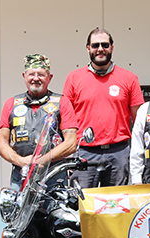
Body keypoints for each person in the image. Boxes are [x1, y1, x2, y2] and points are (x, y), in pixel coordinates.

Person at [0, 53, 78, 238]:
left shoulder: (61, 102)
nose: (36, 78)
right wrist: (21, 161)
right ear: (24, 75)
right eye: (31, 74)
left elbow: (71, 142)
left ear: (49, 77)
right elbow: (2, 144)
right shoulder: (11, 104)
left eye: (41, 74)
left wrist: (44, 159)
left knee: (56, 230)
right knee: (18, 230)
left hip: (53, 178)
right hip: (21, 178)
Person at [62, 27, 144, 188]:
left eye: (105, 45)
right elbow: (65, 121)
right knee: (82, 205)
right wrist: (68, 154)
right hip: (84, 153)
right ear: (88, 48)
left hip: (119, 152)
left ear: (112, 48)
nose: (100, 49)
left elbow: (140, 122)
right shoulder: (73, 78)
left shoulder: (129, 78)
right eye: (95, 45)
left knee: (116, 206)